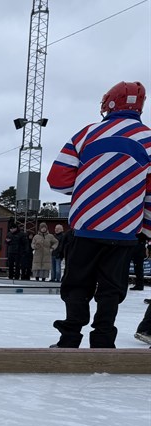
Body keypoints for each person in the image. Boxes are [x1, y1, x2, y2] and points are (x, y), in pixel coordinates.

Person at [46, 80, 151, 348]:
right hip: (125, 231)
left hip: (86, 226)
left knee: (76, 285)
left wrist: (89, 185)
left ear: (109, 104)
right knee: (111, 289)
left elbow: (57, 181)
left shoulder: (87, 134)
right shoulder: (149, 140)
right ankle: (103, 341)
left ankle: (70, 338)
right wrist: (145, 229)